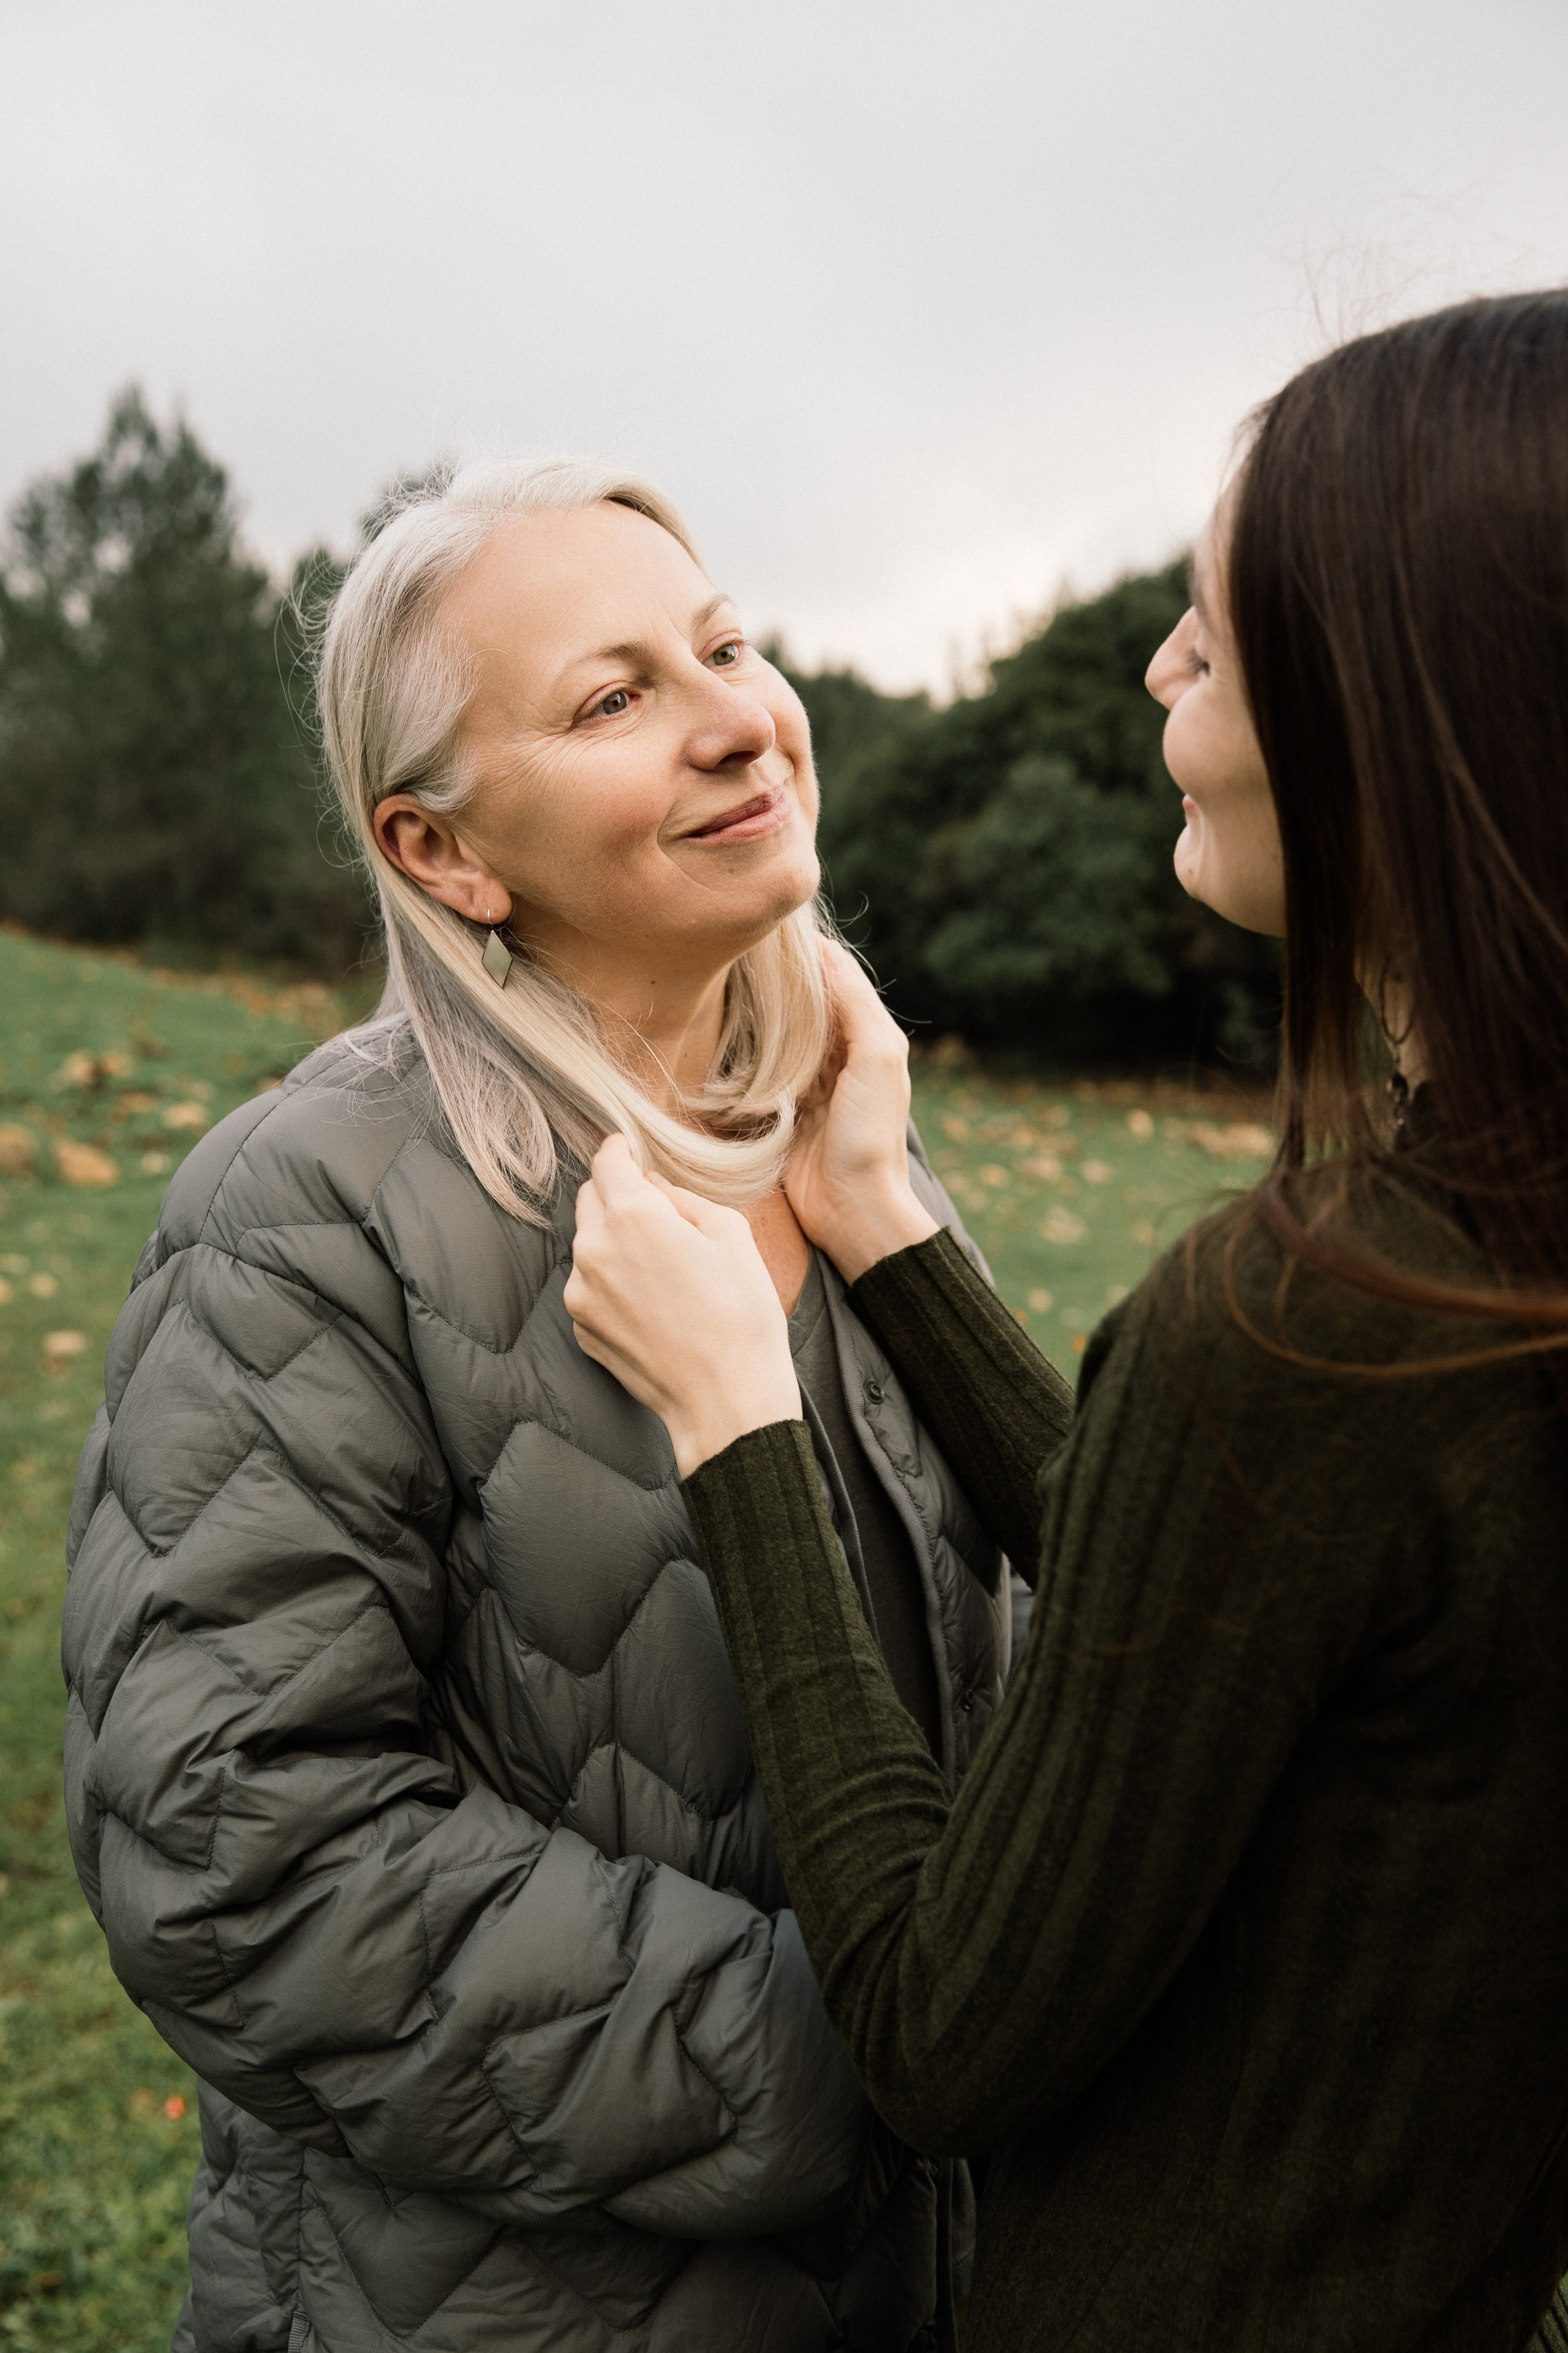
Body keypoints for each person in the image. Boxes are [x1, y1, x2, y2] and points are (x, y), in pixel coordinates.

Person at [563, 291, 1568, 2352]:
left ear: (1396, 702)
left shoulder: (1325, 1312)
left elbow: (946, 2020)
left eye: (1209, 628)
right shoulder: (1464, 1282)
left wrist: (740, 1420)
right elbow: (1224, 1599)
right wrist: (888, 1237)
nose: (1154, 664)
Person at [60, 459, 1012, 2353]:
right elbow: (243, 1849)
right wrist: (877, 2053)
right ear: (443, 855)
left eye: (724, 644)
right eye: (613, 697)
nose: (741, 714)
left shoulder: (849, 1152)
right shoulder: (309, 1209)